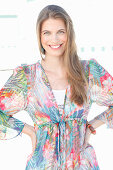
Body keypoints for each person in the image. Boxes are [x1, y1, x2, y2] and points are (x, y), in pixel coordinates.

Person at [0, 4, 113, 170]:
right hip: (42, 165)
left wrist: (92, 125)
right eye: (47, 33)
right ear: (39, 36)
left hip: (82, 165)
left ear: (69, 34)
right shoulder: (27, 77)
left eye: (61, 31)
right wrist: (29, 131)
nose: (54, 39)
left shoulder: (88, 72)